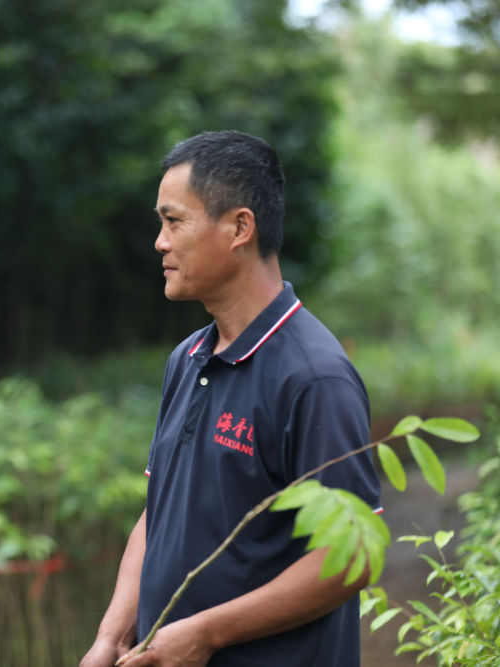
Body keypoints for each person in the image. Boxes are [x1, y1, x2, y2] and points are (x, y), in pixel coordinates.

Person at [79, 131, 381, 667]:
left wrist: (207, 634)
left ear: (240, 227)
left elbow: (350, 558)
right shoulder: (188, 358)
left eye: (174, 221)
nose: (160, 242)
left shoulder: (314, 377)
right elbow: (158, 514)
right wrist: (111, 635)